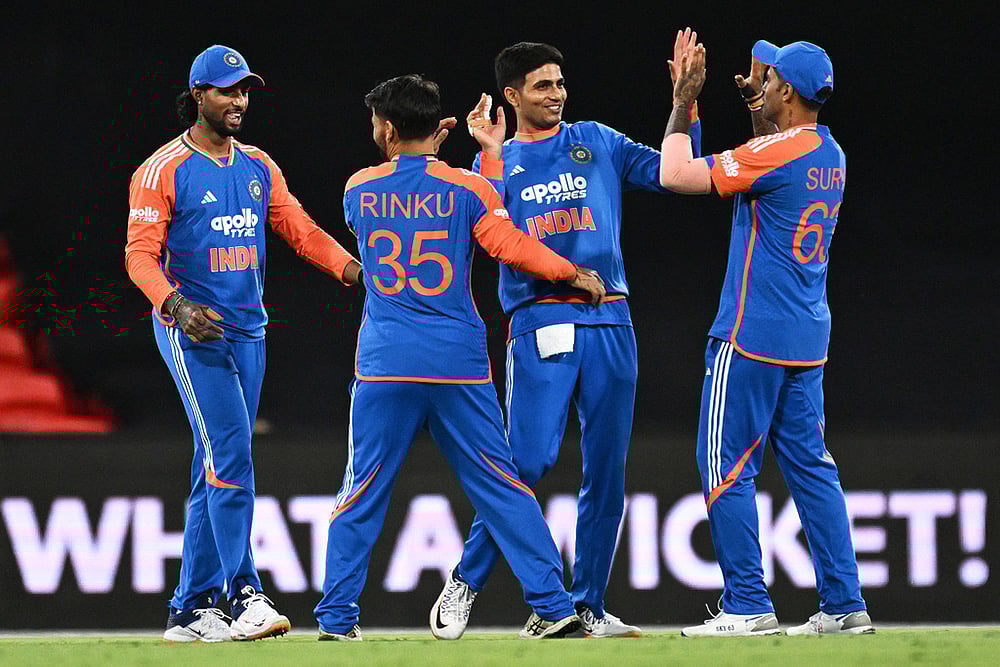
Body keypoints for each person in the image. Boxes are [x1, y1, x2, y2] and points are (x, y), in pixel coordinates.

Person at [313, 74, 607, 642]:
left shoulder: (356, 189)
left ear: (389, 129)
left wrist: (428, 161)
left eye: (377, 123)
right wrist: (570, 272)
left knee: (362, 491)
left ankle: (336, 621)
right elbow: (508, 244)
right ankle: (552, 604)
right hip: (457, 365)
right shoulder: (470, 189)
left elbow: (403, 197)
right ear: (436, 128)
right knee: (501, 486)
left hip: (384, 365)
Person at [431, 31, 702, 640]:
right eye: (542, 86)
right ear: (512, 94)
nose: (557, 94)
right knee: (527, 461)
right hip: (541, 318)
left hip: (612, 318)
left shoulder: (596, 141)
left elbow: (670, 174)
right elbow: (491, 232)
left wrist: (684, 102)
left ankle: (586, 605)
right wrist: (490, 152)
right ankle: (467, 579)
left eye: (560, 83)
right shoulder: (493, 164)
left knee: (607, 470)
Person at [125, 44, 363, 642]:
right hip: (192, 332)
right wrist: (176, 306)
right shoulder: (162, 170)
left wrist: (354, 271)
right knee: (231, 453)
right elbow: (138, 257)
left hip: (250, 333)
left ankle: (189, 609)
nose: (240, 101)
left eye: (245, 91)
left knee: (217, 465)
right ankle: (242, 595)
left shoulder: (259, 166)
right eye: (228, 91)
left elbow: (299, 229)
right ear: (198, 95)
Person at [659, 39, 874, 636]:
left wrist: (684, 100)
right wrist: (759, 104)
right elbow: (771, 148)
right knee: (812, 467)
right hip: (806, 335)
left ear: (788, 91)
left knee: (723, 466)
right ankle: (843, 605)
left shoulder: (779, 153)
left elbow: (674, 174)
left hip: (750, 332)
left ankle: (748, 604)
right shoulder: (831, 150)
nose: (764, 75)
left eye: (772, 74)